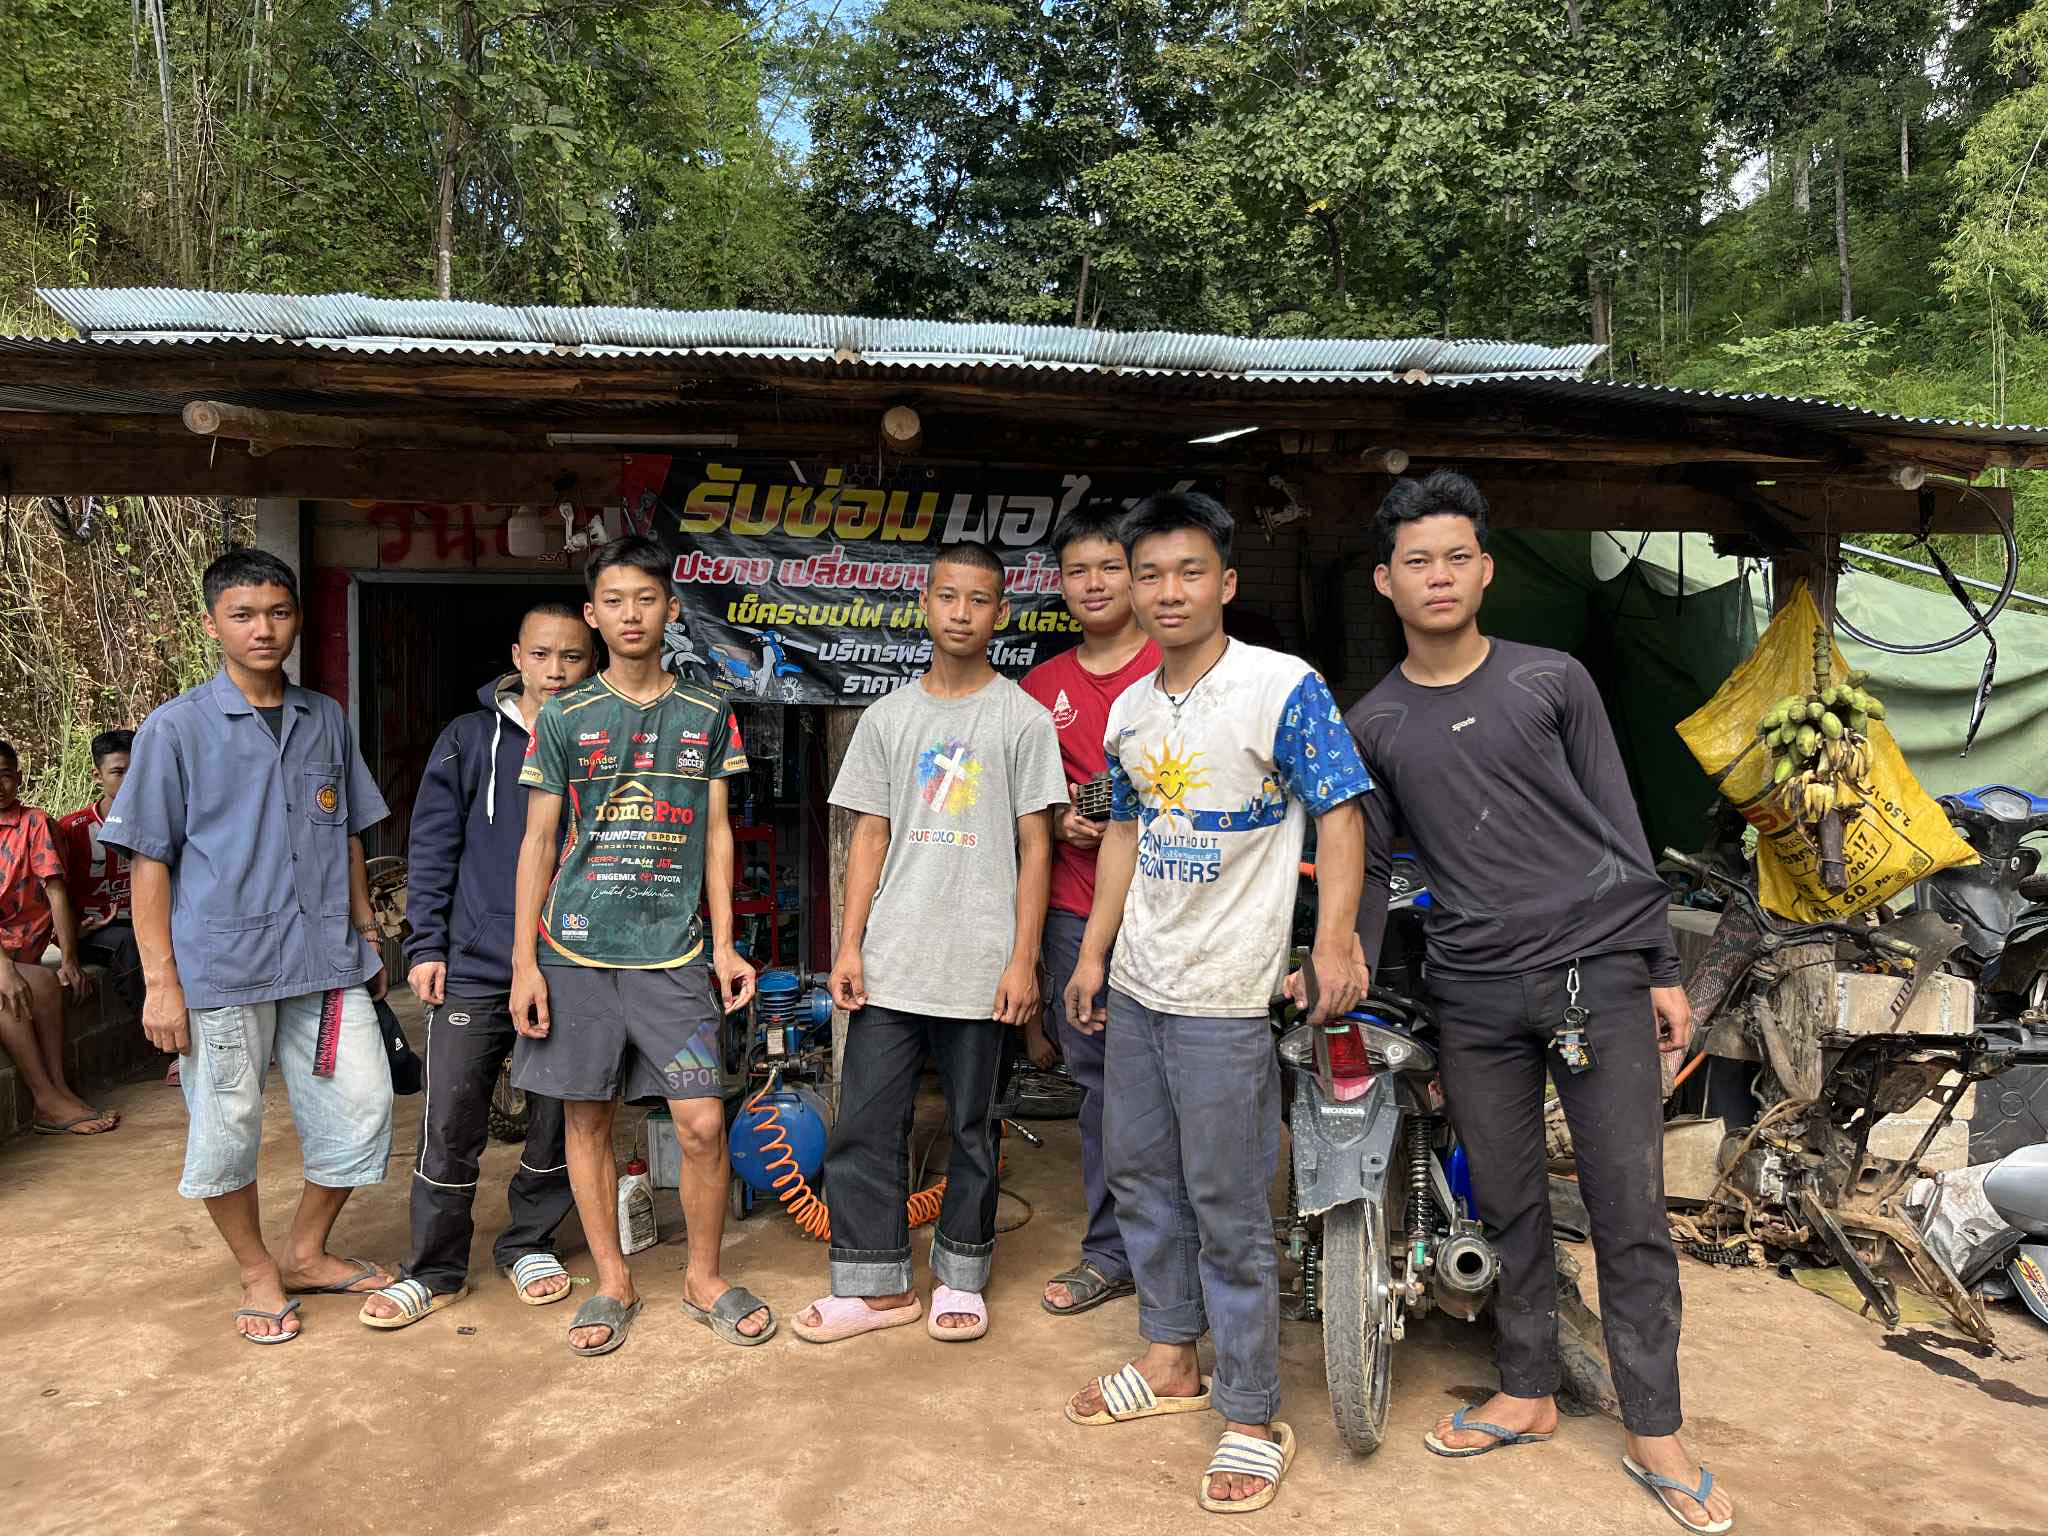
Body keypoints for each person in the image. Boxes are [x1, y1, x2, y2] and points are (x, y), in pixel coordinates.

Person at [1346, 470, 1733, 1534]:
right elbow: (1372, 871)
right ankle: (1524, 1391)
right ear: (1384, 581)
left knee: (1627, 1209)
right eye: (1414, 560)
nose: (1437, 575)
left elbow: (1618, 820)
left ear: (1484, 569)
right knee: (1509, 1202)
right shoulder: (1371, 722)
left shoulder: (1549, 681)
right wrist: (1340, 969)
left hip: (1593, 976)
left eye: (1454, 556)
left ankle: (1655, 1425)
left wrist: (1657, 965)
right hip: (1469, 991)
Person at [1061, 490, 1370, 1515]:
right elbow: (1120, 833)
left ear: (1225, 583)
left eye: (1186, 572)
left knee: (1229, 1202)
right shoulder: (1131, 710)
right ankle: (1168, 1358)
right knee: (1138, 1175)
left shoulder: (1283, 687)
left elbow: (1337, 814)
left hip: (1229, 1000)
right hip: (1143, 986)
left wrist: (1330, 938)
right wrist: (1094, 953)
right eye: (1144, 574)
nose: (1163, 592)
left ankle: (1247, 1409)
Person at [104, 548, 396, 1344]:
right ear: (212, 625)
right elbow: (149, 862)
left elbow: (345, 837)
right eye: (243, 614)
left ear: (298, 618)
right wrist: (161, 982)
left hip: (327, 959)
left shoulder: (324, 716)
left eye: (278, 612)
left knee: (364, 1105)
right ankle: (257, 1269)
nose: (263, 629)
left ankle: (305, 1251)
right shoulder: (176, 728)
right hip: (223, 968)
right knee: (227, 1125)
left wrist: (369, 936)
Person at [792, 540, 1065, 1346]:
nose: (960, 612)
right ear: (924, 604)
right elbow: (868, 836)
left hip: (982, 965)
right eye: (947, 596)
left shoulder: (1020, 718)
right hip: (894, 958)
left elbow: (1038, 845)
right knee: (866, 1122)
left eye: (978, 600)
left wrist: (1024, 959)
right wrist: (849, 945)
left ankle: (961, 1275)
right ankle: (873, 1284)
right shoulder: (889, 717)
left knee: (973, 1125)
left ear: (1000, 614)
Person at [508, 535, 771, 1358]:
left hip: (674, 955)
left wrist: (725, 946)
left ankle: (702, 1276)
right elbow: (539, 841)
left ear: (672, 608)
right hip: (577, 953)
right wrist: (524, 962)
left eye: (646, 599)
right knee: (587, 1120)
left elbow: (720, 835)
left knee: (699, 1121)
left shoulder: (706, 711)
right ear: (594, 613)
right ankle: (613, 1283)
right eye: (614, 601)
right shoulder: (564, 717)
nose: (631, 614)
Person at [358, 604, 596, 1330]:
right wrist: (426, 945)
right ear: (516, 657)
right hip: (477, 959)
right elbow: (431, 846)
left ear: (593, 662)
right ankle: (435, 1267)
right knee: (452, 1114)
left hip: (573, 959)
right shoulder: (469, 738)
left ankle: (528, 1242)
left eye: (573, 658)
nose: (556, 671)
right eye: (543, 655)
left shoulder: (603, 737)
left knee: (559, 1112)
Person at [1018, 502, 1159, 1317]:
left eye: (1112, 566)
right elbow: (1025, 806)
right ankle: (1113, 1252)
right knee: (1103, 1086)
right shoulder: (1043, 688)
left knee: (1185, 1081)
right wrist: (1061, 818)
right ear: (1060, 585)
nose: (1096, 584)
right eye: (1079, 570)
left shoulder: (1179, 669)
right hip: (1077, 910)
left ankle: (1189, 1249)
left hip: (1177, 907)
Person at [0, 739, 115, 1137]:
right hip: (2, 959)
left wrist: (68, 958)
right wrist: (2, 969)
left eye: (4, 775)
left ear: (18, 778)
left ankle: (59, 1091)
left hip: (21, 955)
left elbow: (56, 890)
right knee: (7, 994)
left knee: (47, 982)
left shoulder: (34, 824)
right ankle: (45, 1099)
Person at [58, 730, 145, 1021]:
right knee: (130, 943)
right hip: (92, 930)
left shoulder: (157, 820)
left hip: (145, 921)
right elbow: (52, 893)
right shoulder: (73, 829)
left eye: (136, 770)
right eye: (118, 772)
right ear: (97, 776)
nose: (129, 780)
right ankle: (170, 1047)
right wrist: (68, 935)